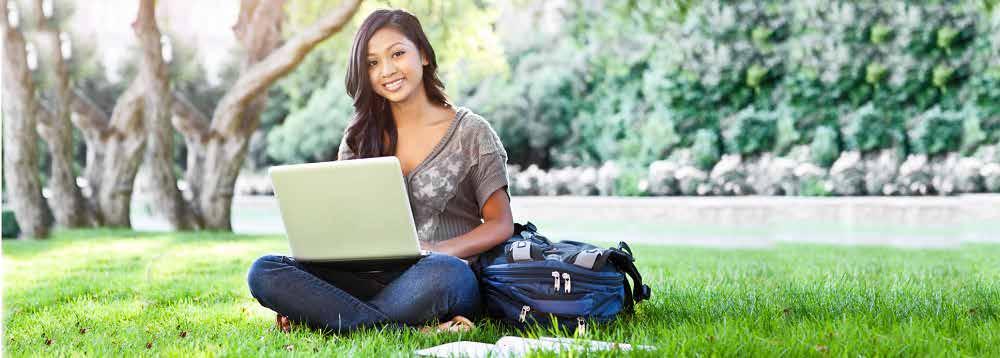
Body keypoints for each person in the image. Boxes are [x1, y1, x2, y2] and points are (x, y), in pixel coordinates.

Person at [246, 8, 514, 334]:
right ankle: (408, 329)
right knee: (265, 270)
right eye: (372, 63)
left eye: (397, 54)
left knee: (448, 273)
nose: (386, 70)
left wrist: (439, 250)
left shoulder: (472, 132)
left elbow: (501, 224)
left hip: (437, 276)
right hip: (366, 276)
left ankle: (329, 318)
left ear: (425, 55)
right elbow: (343, 220)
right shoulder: (358, 136)